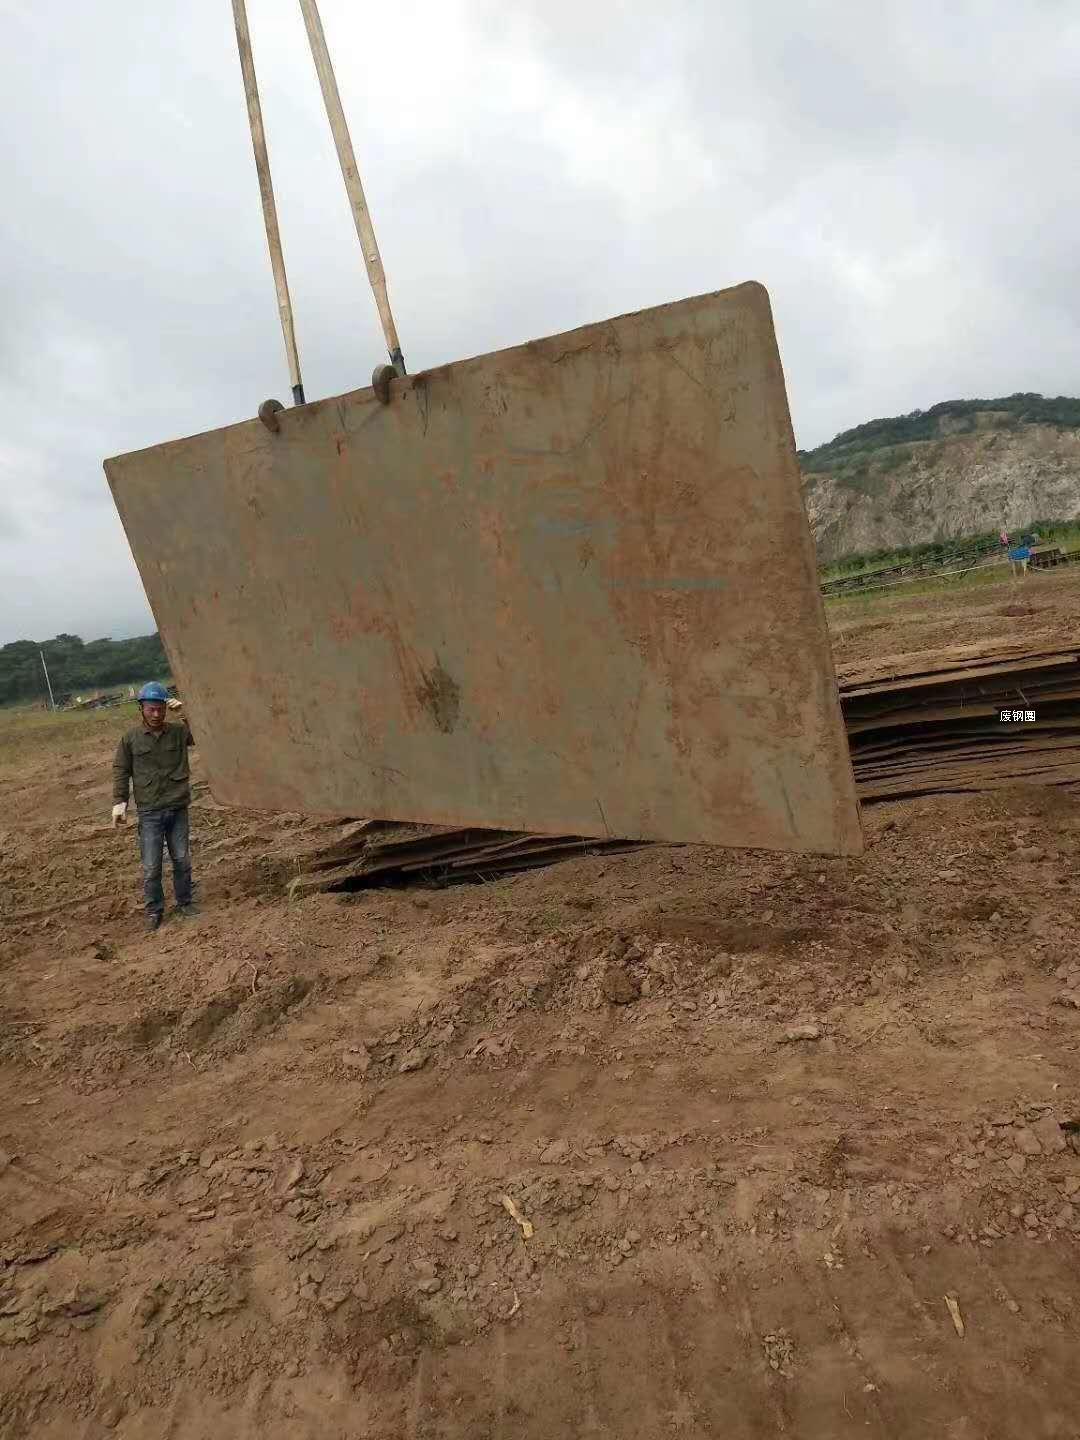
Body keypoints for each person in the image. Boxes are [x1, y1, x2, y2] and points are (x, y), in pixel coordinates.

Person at [112, 681, 196, 930]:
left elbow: (204, 734)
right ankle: (154, 911)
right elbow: (121, 770)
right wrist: (120, 802)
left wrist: (186, 713)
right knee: (151, 866)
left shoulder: (179, 732)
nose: (157, 714)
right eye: (151, 709)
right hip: (149, 811)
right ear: (142, 709)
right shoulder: (131, 739)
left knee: (182, 859)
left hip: (177, 806)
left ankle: (184, 903)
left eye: (161, 709)